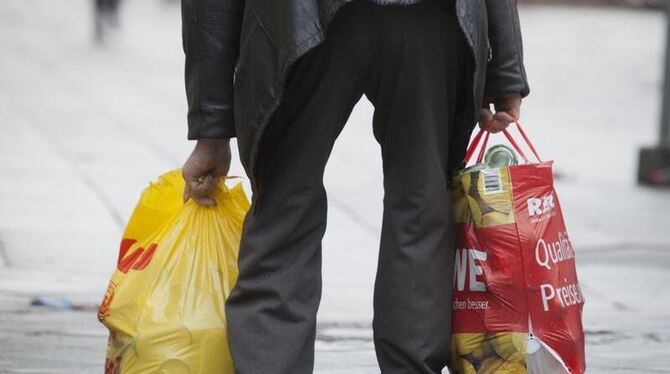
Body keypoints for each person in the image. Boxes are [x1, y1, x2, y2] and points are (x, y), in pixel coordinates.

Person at [180, 0, 529, 373]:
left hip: (298, 16)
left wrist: (212, 127)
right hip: (429, 19)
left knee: (284, 213)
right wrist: (504, 69)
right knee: (420, 207)